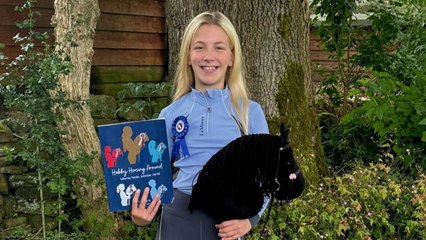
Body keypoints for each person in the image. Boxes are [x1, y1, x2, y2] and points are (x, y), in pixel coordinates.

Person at [131, 11, 269, 240]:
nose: (208, 56)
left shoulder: (250, 113)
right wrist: (139, 216)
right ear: (187, 56)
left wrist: (250, 219)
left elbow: (268, 178)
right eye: (199, 47)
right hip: (177, 221)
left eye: (219, 47)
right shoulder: (169, 115)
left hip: (227, 226)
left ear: (231, 58)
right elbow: (150, 177)